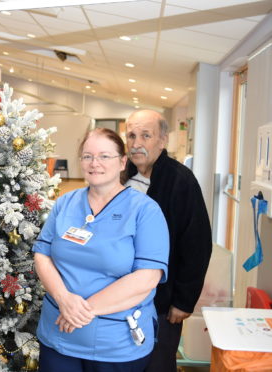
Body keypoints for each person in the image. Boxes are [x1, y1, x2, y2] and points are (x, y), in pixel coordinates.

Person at [33, 128, 169, 372]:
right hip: (59, 337)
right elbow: (42, 254)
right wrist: (64, 300)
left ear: (122, 162)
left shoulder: (145, 211)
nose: (94, 164)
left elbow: (147, 277)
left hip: (115, 345)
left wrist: (80, 311)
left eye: (104, 156)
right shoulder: (65, 203)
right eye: (87, 156)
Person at [124, 109, 212, 372]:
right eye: (131, 135)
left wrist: (184, 301)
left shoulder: (180, 181)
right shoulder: (118, 176)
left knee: (157, 364)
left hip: (162, 302)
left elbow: (197, 245)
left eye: (146, 135)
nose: (137, 143)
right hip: (120, 298)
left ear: (162, 140)